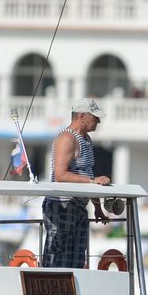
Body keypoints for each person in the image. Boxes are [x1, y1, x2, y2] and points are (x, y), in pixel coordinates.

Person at [43, 97, 112, 269]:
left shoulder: (86, 139)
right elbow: (60, 174)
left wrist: (97, 207)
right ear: (82, 117)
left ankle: (69, 294)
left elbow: (87, 172)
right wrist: (92, 182)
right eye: (95, 117)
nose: (98, 121)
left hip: (79, 207)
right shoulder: (67, 138)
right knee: (59, 259)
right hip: (63, 205)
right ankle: (52, 293)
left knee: (76, 261)